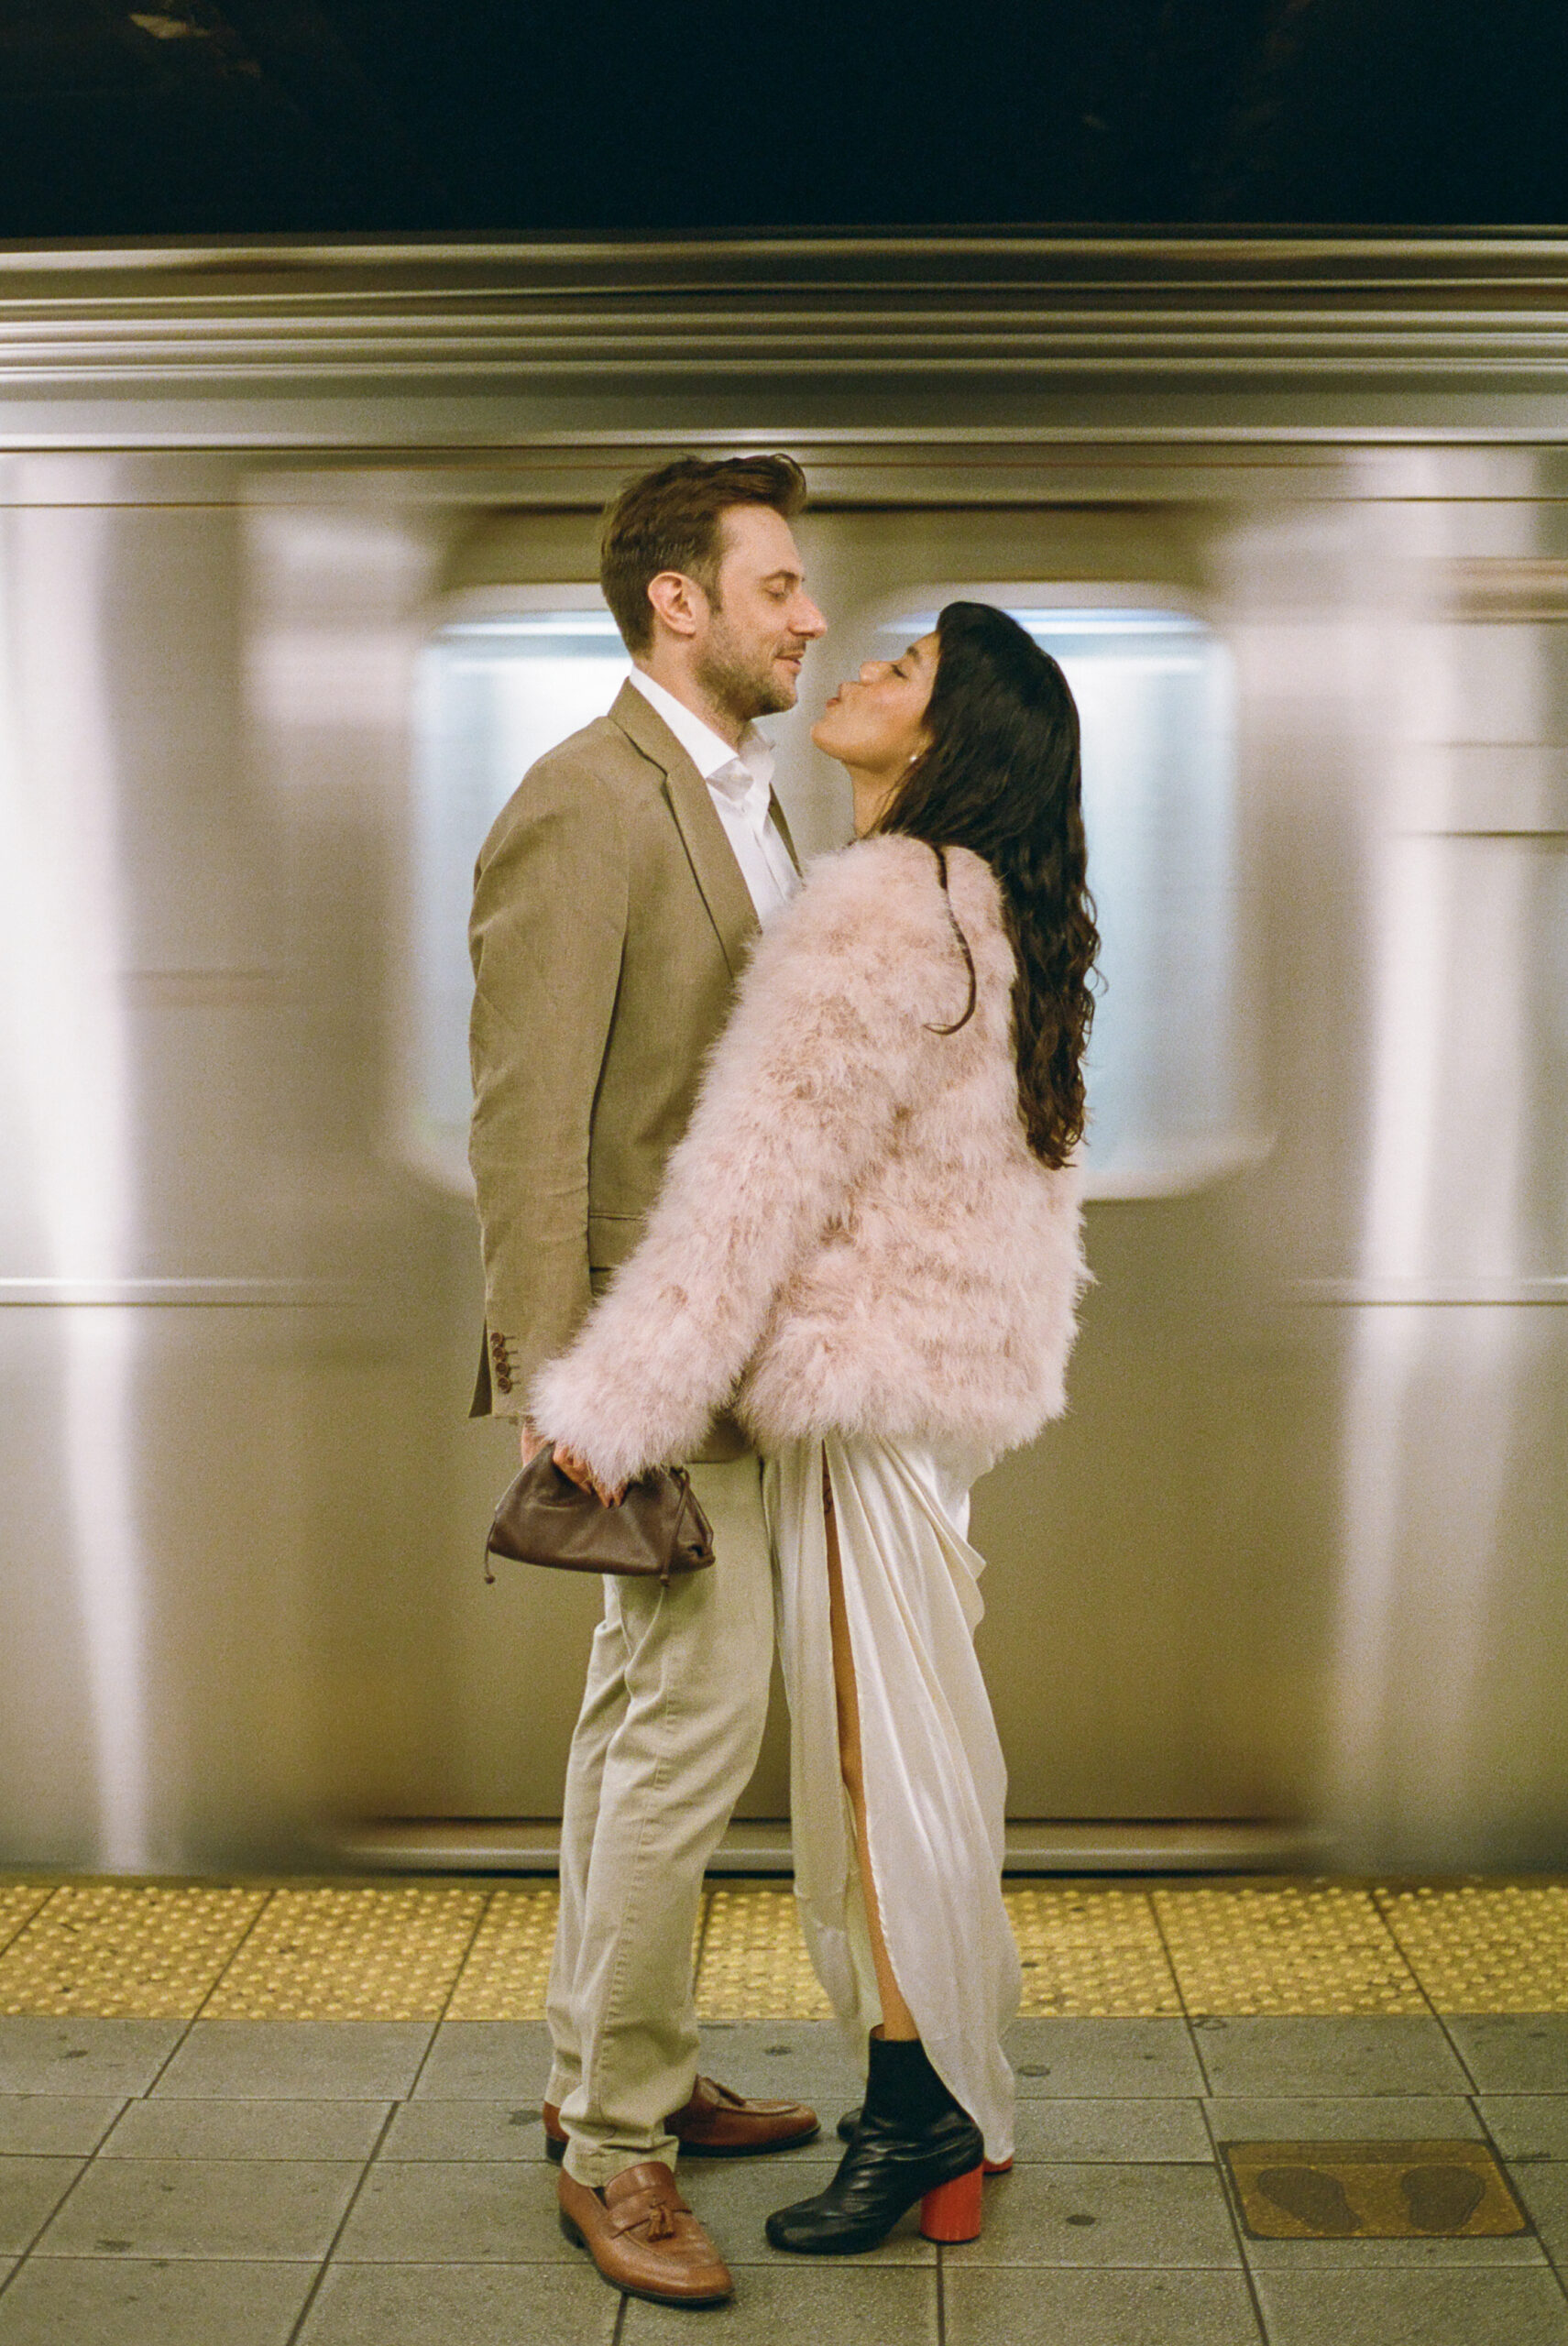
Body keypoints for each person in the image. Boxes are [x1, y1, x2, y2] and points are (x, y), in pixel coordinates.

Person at [535, 600, 1099, 2256]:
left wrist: (612, 1405)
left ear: (949, 739)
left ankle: (918, 2107)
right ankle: (960, 2104)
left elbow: (748, 1198)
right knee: (930, 1746)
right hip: (934, 1396)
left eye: (907, 669)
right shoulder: (987, 905)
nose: (858, 665)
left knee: (874, 1761)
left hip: (858, 1394)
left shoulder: (872, 907)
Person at [467, 454, 828, 2308]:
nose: (810, 614)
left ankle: (612, 2073)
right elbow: (529, 1112)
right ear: (678, 600)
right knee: (688, 1736)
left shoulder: (747, 803)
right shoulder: (586, 805)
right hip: (652, 1358)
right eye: (777, 584)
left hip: (735, 1352)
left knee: (636, 1731)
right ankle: (614, 2149)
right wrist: (558, 1373)